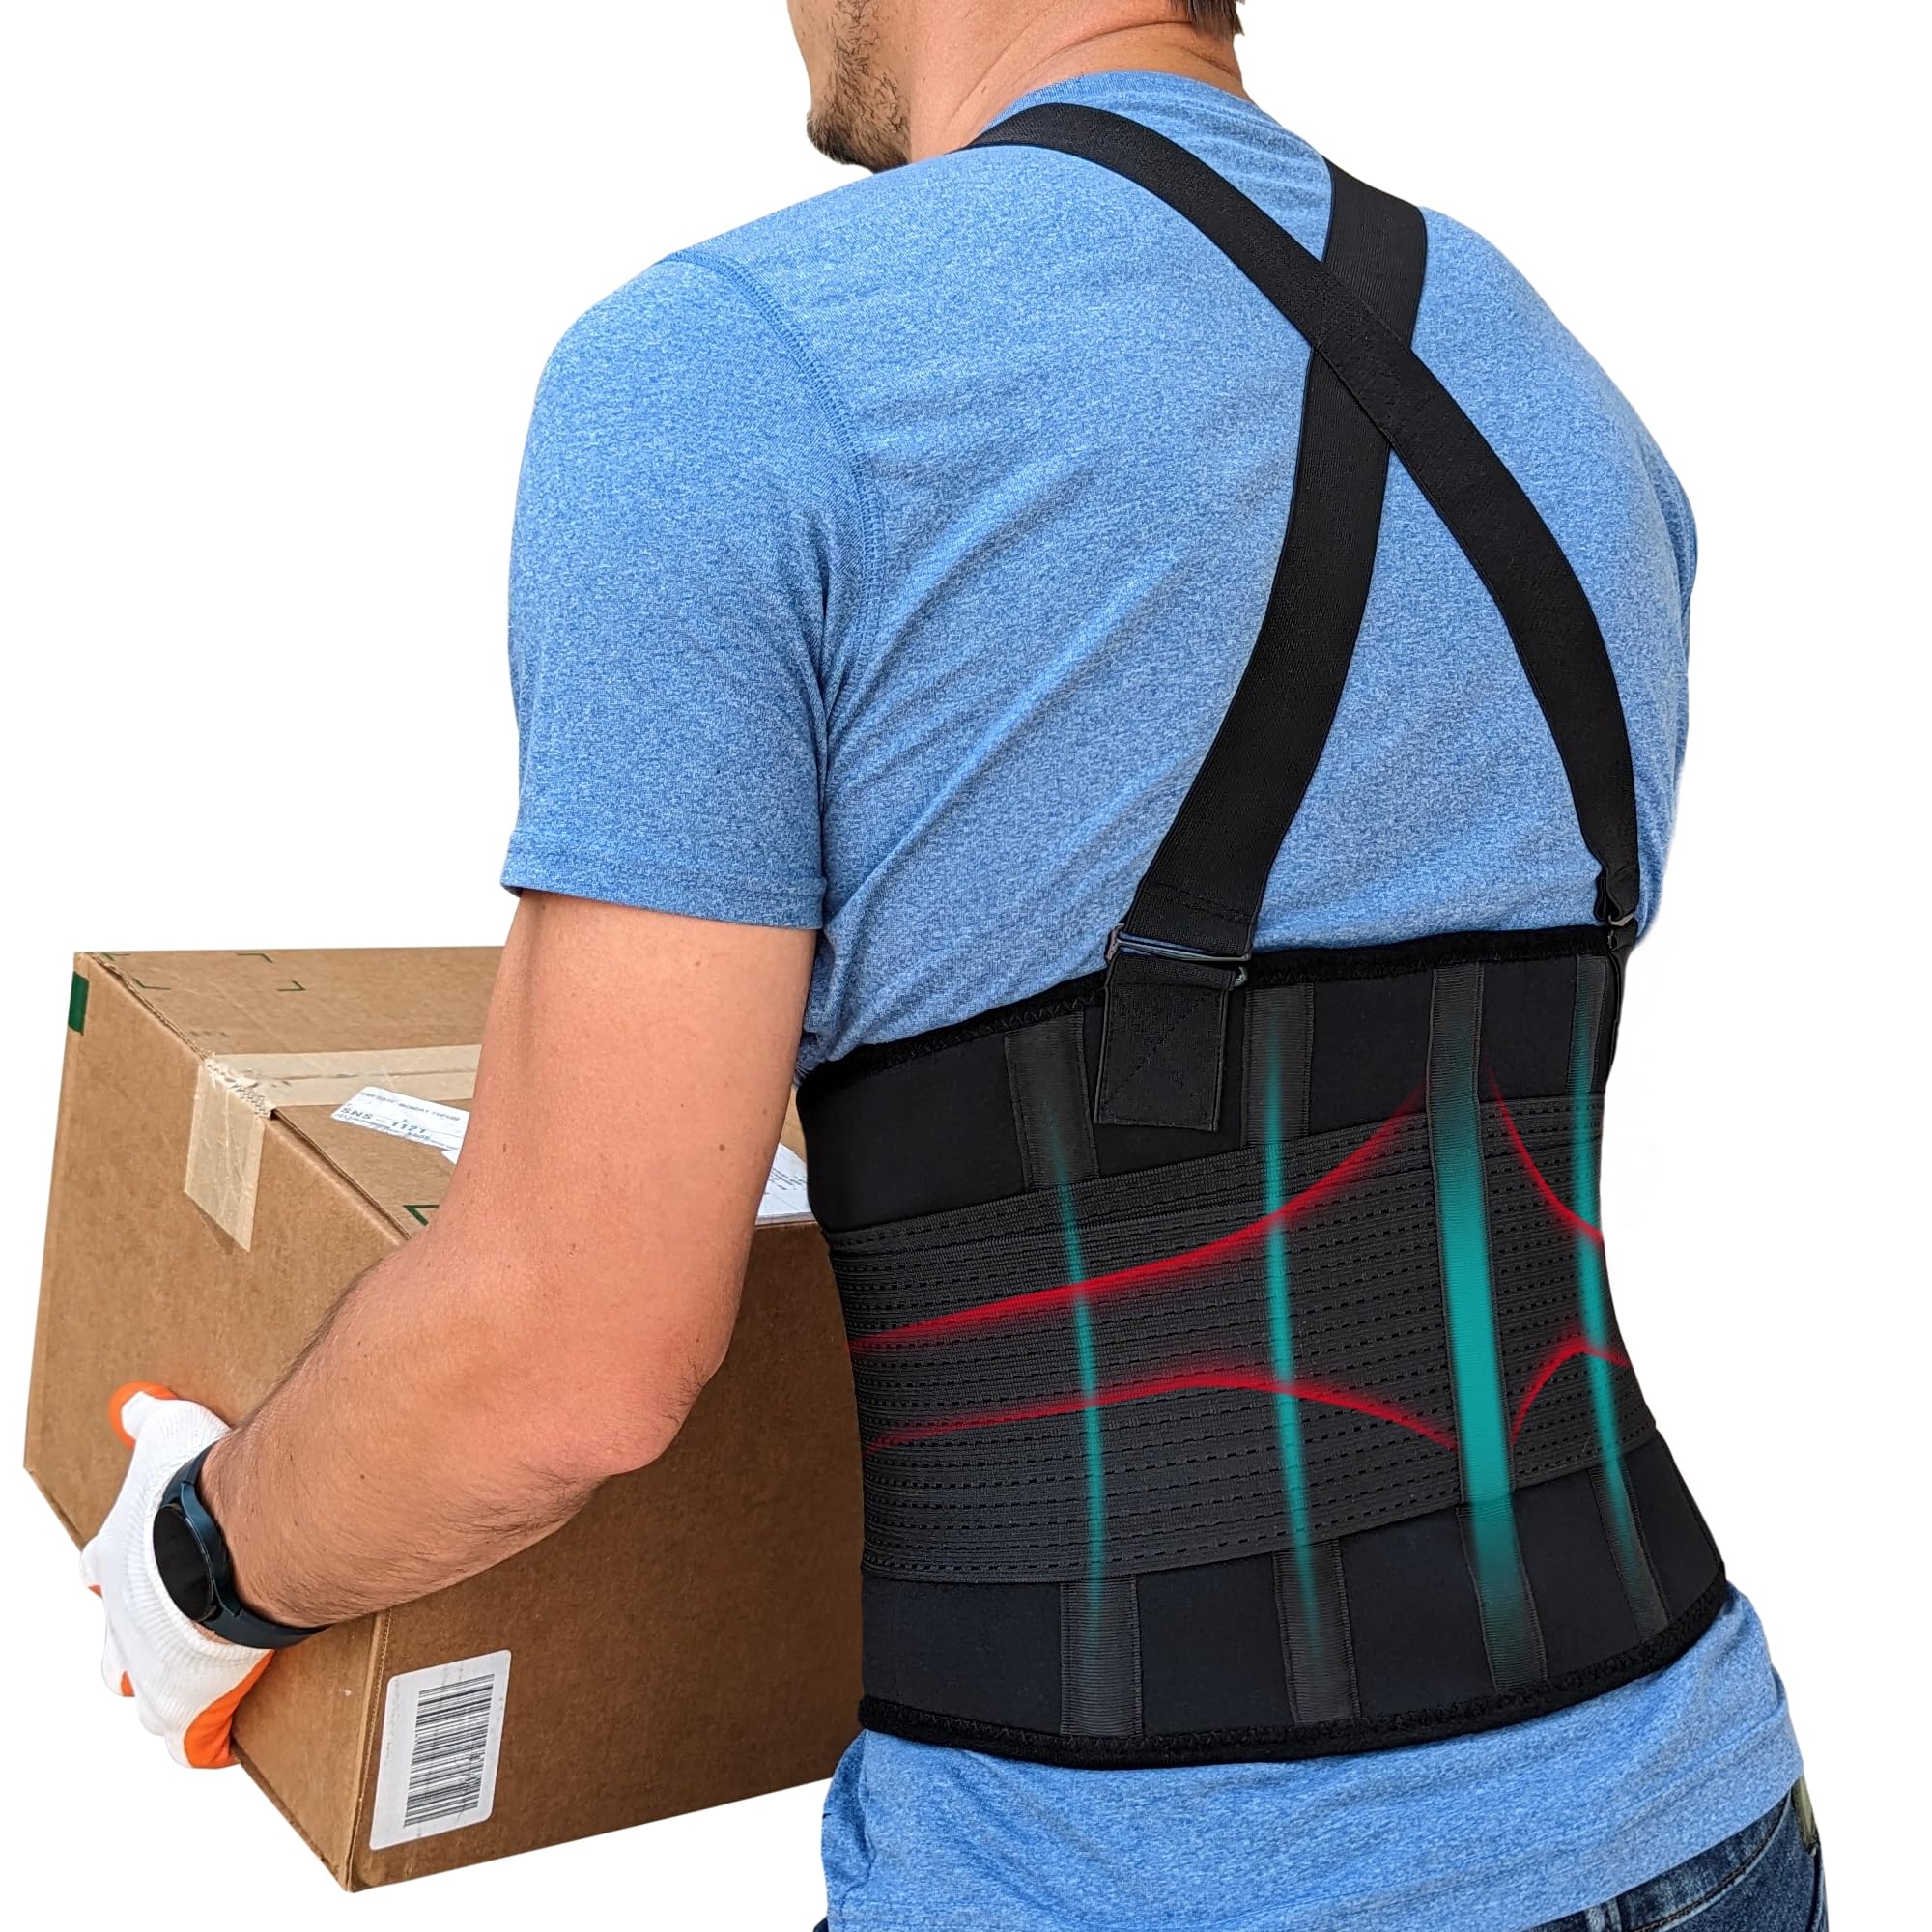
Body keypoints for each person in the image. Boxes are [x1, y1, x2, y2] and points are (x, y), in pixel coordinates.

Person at [81, 3, 1823, 1926]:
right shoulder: (1574, 408)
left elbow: (565, 1354)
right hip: (1700, 1823)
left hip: (1126, 1880)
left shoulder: (734, 370)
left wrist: (203, 1558)